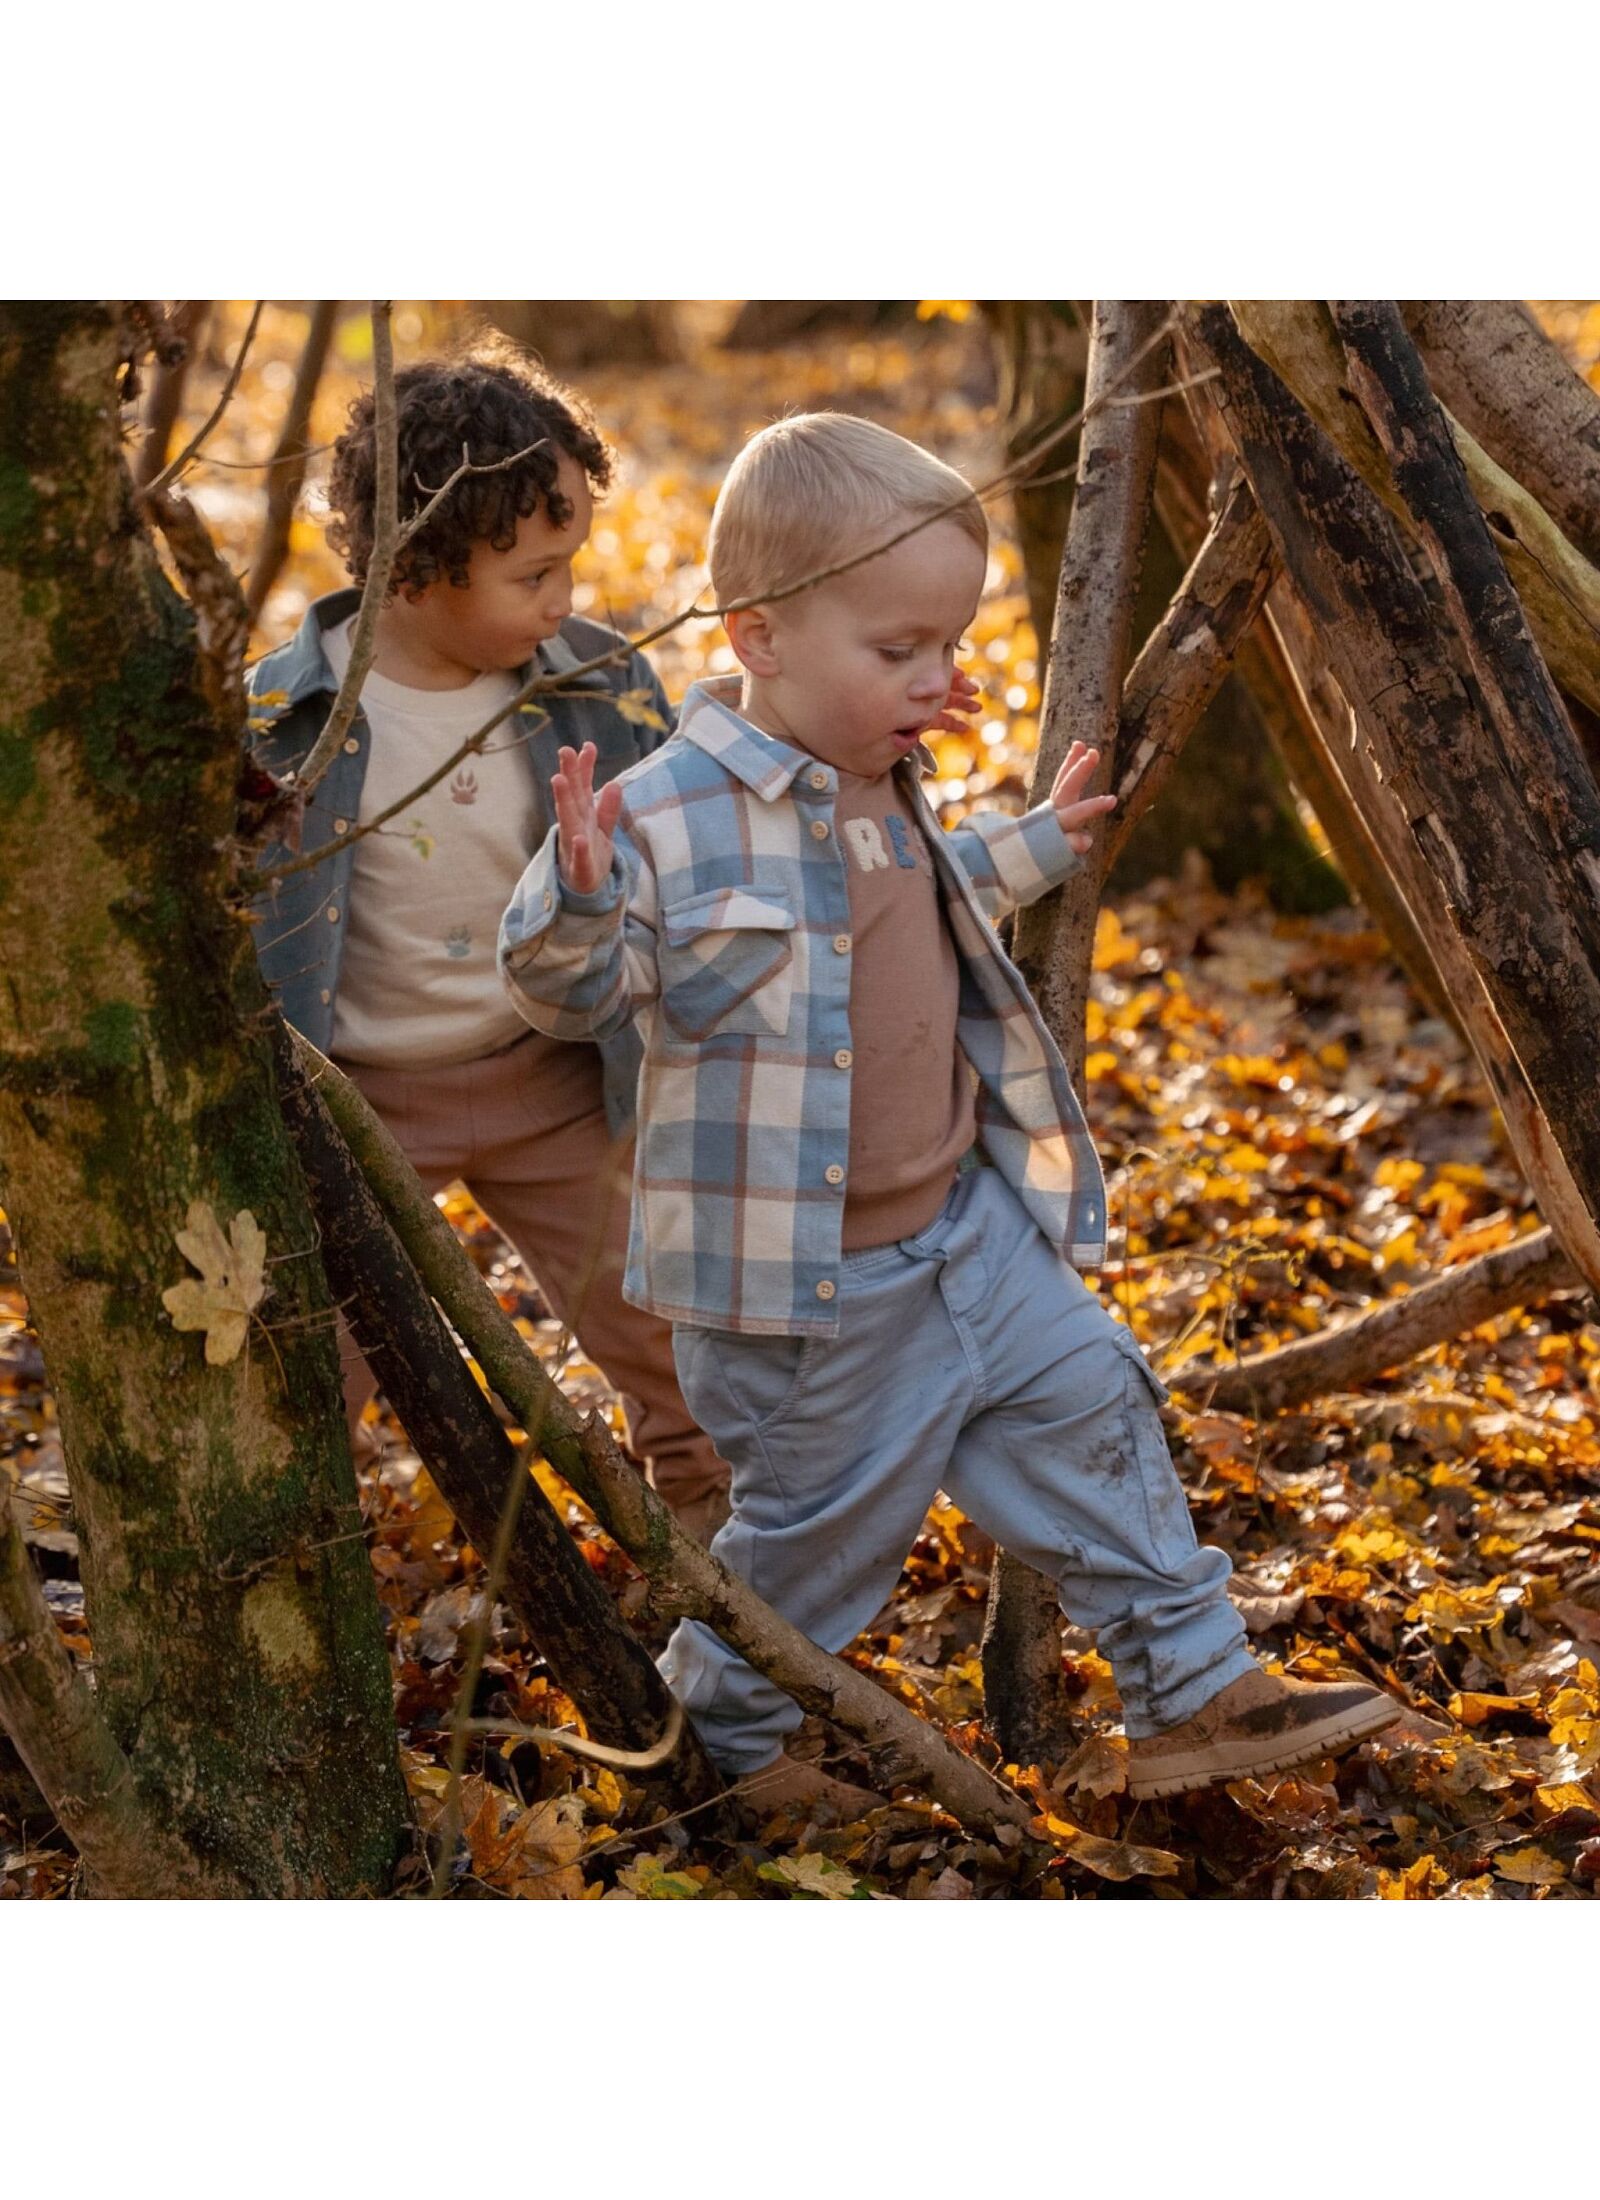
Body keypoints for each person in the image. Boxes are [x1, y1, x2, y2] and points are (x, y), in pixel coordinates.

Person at [497, 410, 1398, 1811]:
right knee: (818, 1542)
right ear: (760, 635)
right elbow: (570, 994)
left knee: (1096, 1405)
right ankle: (719, 1752)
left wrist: (1038, 842)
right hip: (810, 1297)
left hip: (965, 1230)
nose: (939, 679)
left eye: (949, 646)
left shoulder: (882, 782)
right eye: (899, 650)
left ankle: (1194, 1684)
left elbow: (922, 899)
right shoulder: (664, 818)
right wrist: (580, 888)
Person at [246, 346, 730, 1541]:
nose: (564, 599)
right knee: (302, 1376)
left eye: (568, 565)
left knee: (678, 1348)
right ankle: (298, 1591)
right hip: (357, 1103)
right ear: (415, 562)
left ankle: (733, 1583)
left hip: (558, 1076)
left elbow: (687, 845)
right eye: (534, 574)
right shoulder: (278, 723)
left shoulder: (599, 687)